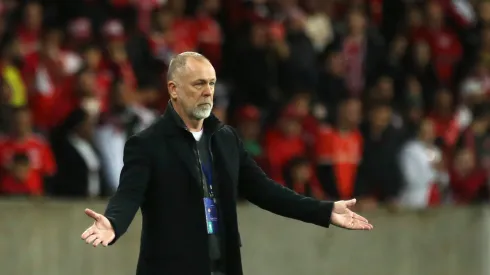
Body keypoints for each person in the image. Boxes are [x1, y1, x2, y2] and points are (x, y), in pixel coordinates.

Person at [80, 52, 373, 275]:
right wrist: (114, 223)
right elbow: (129, 193)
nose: (208, 91)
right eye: (198, 84)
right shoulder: (148, 144)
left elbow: (264, 190)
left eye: (211, 83)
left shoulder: (225, 138)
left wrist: (324, 210)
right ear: (173, 89)